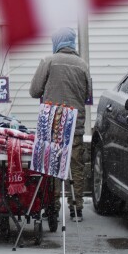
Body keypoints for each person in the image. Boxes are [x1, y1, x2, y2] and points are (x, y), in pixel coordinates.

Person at [29, 27, 93, 222]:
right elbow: (87, 94)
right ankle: (76, 209)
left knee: (52, 166)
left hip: (52, 123)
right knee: (76, 166)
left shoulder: (48, 62)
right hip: (75, 124)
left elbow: (34, 91)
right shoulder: (82, 65)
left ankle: (53, 207)